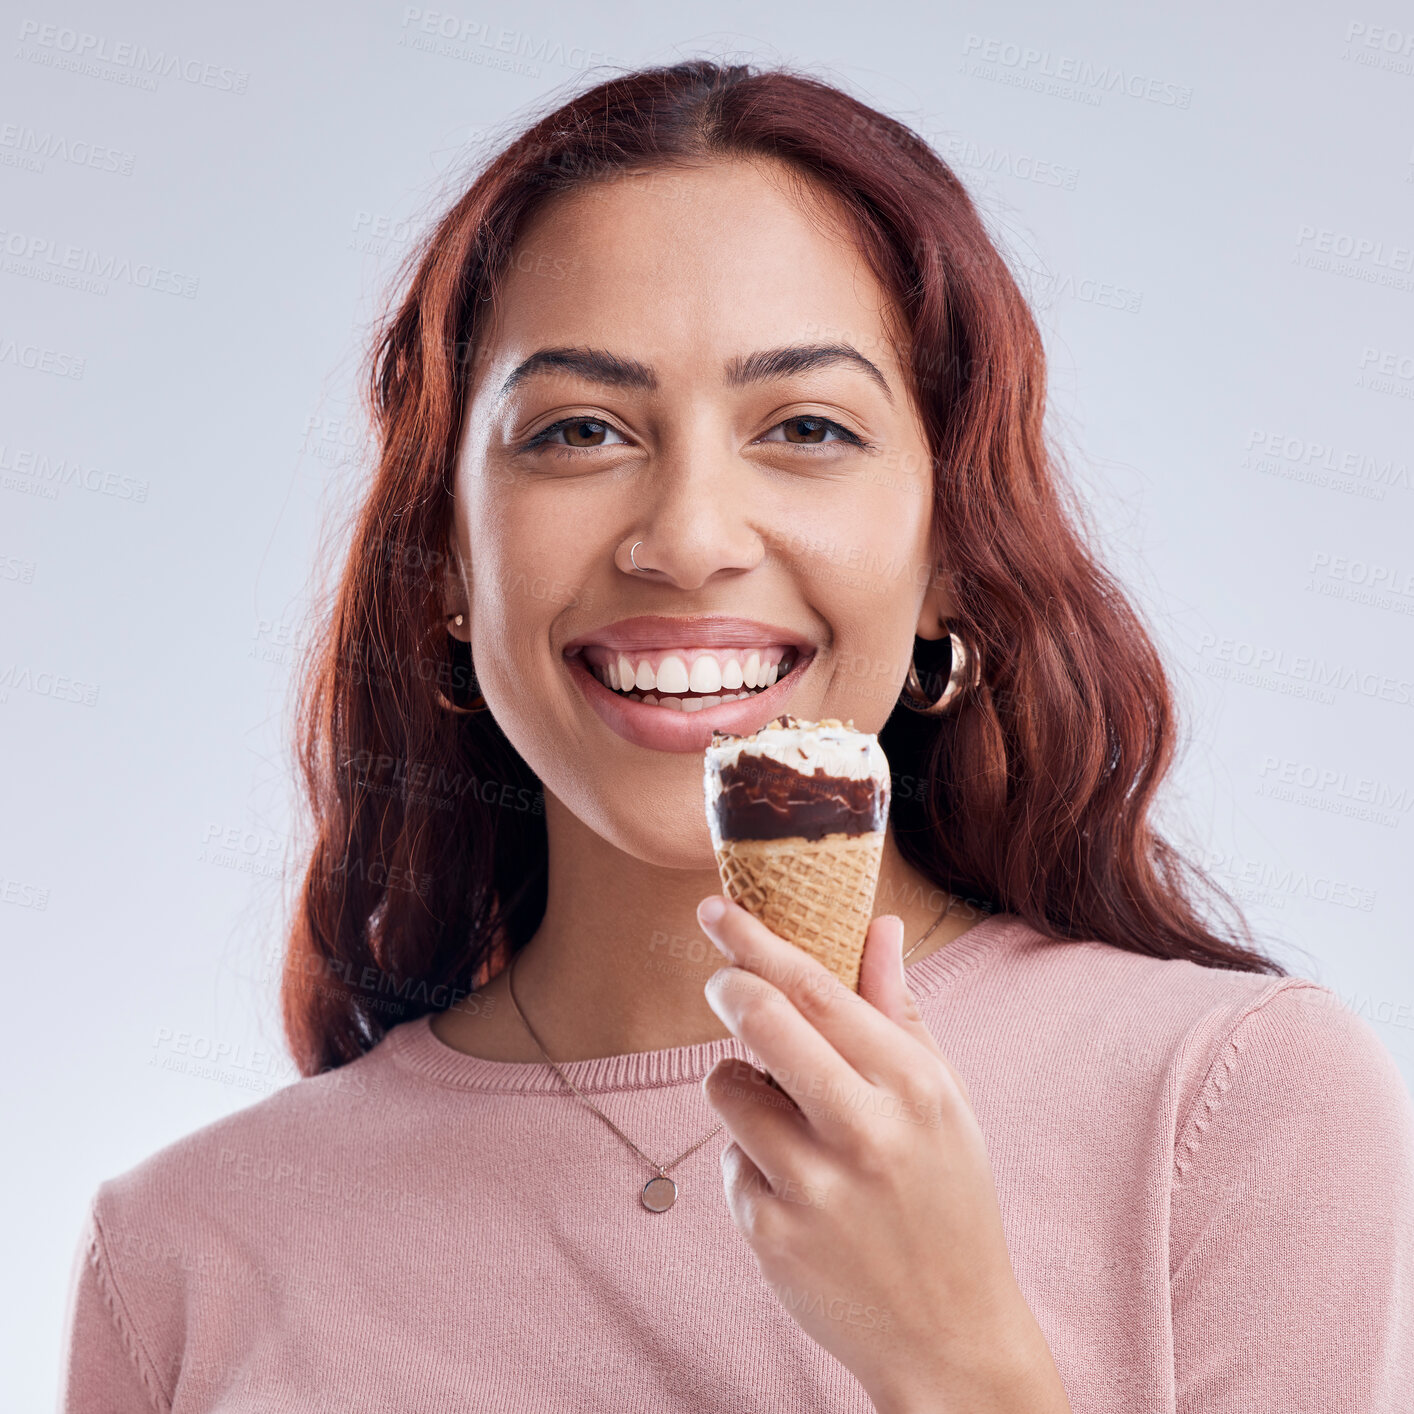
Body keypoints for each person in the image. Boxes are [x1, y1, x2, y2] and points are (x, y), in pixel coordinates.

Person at [58, 60, 1414, 1413]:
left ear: (947, 550)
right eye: (580, 430)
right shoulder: (188, 1251)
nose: (690, 537)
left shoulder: (1233, 1107)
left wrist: (956, 1362)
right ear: (450, 562)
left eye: (807, 426)